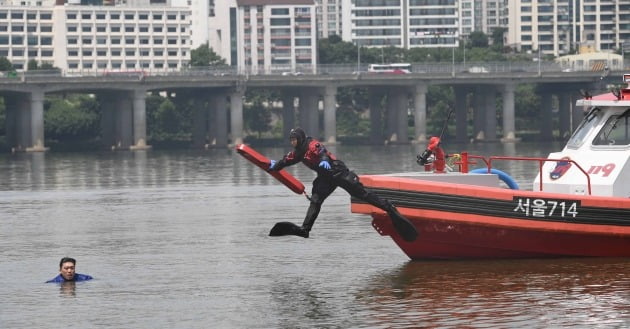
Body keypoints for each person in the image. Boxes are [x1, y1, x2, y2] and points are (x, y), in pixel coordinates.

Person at [267, 127, 417, 242]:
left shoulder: (312, 145)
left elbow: (322, 151)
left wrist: (324, 159)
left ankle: (389, 208)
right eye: (291, 139)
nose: (292, 142)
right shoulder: (297, 152)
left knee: (362, 194)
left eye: (294, 139)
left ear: (300, 138)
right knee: (316, 200)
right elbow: (286, 161)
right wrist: (275, 166)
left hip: (338, 172)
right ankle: (305, 229)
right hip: (325, 178)